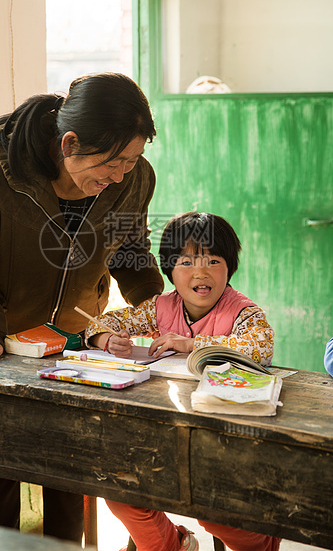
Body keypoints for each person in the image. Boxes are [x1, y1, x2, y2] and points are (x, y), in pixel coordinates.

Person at [0, 73, 164, 542]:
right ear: (70, 142)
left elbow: (130, 252)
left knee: (70, 464)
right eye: (114, 160)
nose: (121, 173)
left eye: (133, 159)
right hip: (3, 345)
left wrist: (164, 312)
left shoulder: (133, 180)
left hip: (77, 344)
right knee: (0, 464)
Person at [85, 211, 281, 551]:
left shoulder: (242, 312)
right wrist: (104, 338)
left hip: (226, 444)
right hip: (163, 436)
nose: (201, 272)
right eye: (187, 262)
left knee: (214, 513)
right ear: (169, 269)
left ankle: (262, 542)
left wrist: (192, 344)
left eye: (213, 261)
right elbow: (102, 321)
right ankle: (172, 543)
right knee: (121, 497)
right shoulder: (159, 307)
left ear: (230, 267)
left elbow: (260, 347)